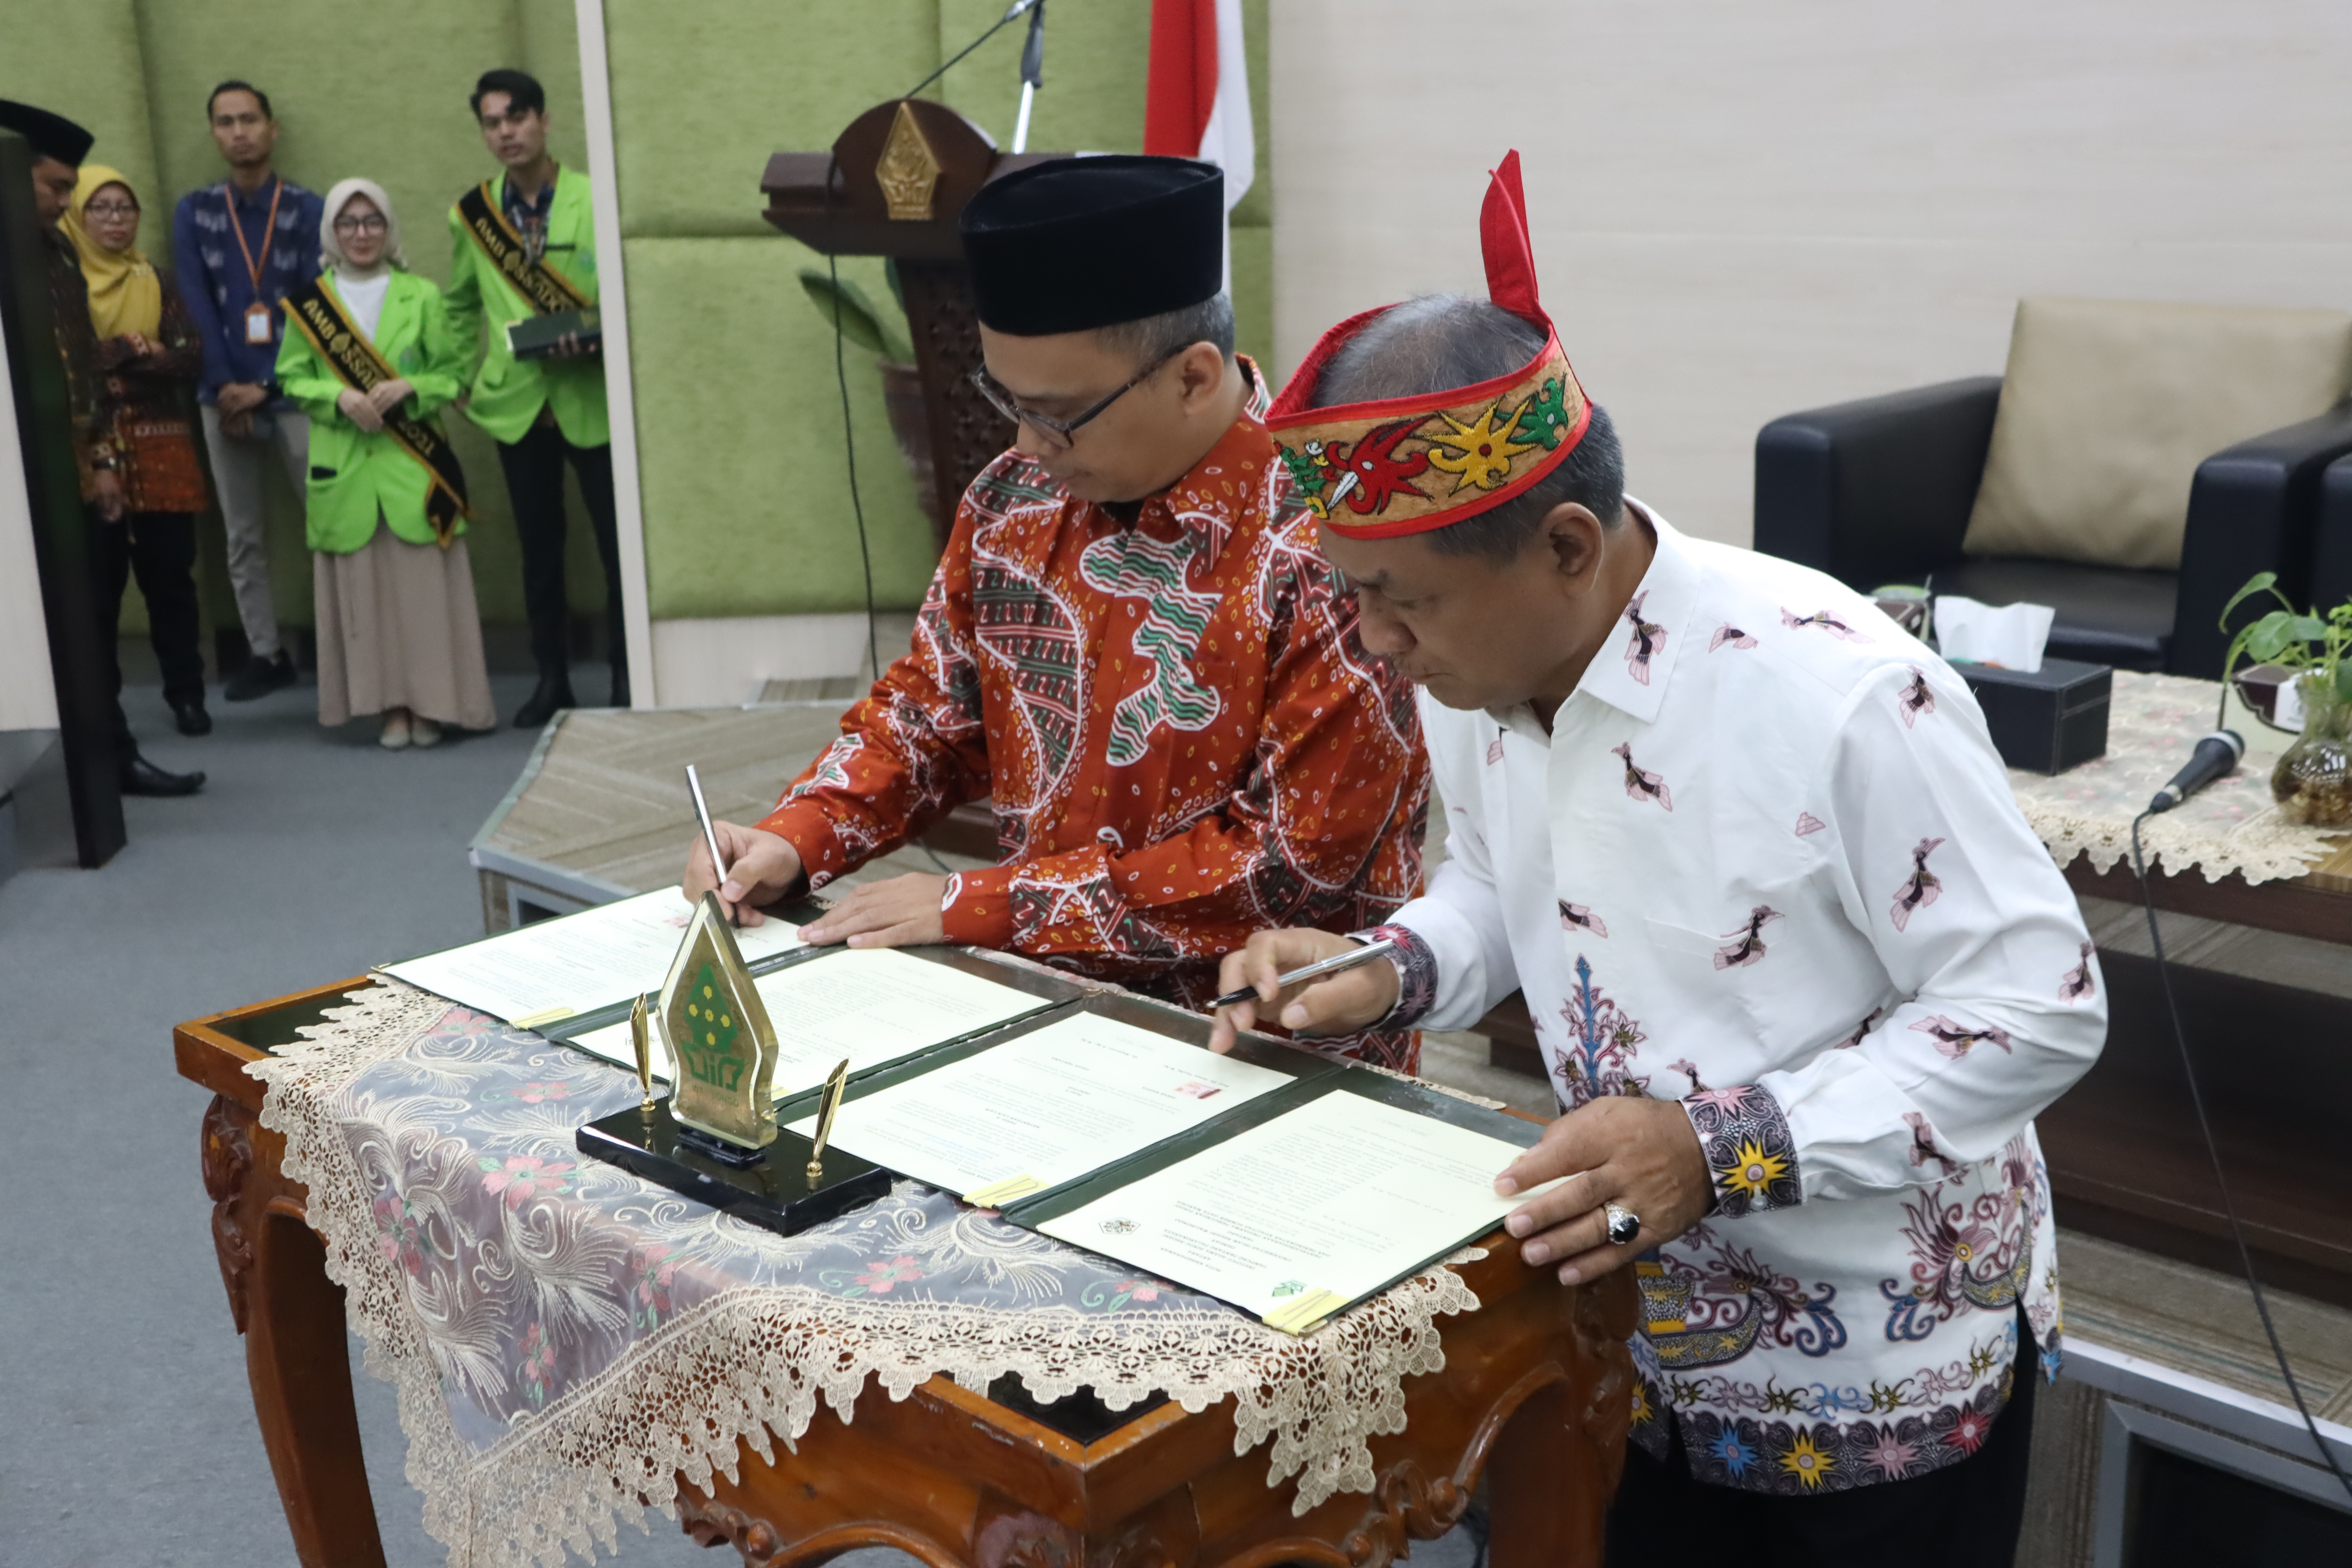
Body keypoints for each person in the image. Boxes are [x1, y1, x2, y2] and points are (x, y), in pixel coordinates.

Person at [1210, 154, 2106, 1563]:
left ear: (1566, 544)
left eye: (1401, 601)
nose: (1374, 644)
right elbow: (1506, 897)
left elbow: (2036, 1005)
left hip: (1869, 1364)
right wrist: (1381, 972)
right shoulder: (1483, 677)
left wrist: (1719, 1147)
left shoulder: (1840, 695)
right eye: (1354, 596)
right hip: (1625, 1324)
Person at [682, 155, 1429, 1066]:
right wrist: (797, 835)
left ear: (1194, 376)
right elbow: (930, 715)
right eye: (1006, 400)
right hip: (1039, 1015)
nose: (1026, 445)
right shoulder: (1014, 501)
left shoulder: (1327, 547)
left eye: (1059, 414)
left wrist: (987, 905)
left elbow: (1290, 868)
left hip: (1266, 1053)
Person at [0, 99, 204, 796]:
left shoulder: (53, 252)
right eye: (57, 187)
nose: (67, 204)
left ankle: (108, 758)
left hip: (68, 471)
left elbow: (82, 365)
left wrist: (104, 462)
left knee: (91, 615)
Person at [276, 179, 495, 747]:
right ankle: (388, 708)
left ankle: (433, 706)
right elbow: (291, 378)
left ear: (389, 227)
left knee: (423, 599)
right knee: (364, 602)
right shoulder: (309, 305)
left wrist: (409, 388)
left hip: (413, 469)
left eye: (372, 221)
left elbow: (452, 375)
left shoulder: (420, 295)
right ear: (331, 232)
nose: (361, 234)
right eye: (348, 223)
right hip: (345, 469)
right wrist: (338, 397)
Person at [445, 67, 624, 726]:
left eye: (516, 117)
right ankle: (552, 679)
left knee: (614, 546)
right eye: (492, 122)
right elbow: (460, 305)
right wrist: (463, 379)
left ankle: (626, 676)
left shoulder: (594, 195)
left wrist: (599, 337)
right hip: (515, 403)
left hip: (593, 398)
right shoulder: (471, 214)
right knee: (539, 550)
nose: (505, 131)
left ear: (543, 121)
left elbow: (623, 291)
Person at [172, 80, 324, 704]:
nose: (239, 132)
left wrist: (265, 384)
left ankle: (345, 647)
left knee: (328, 522)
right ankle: (266, 652)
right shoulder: (196, 211)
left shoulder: (309, 209)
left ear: (272, 128)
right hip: (222, 393)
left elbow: (319, 307)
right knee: (243, 534)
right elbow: (194, 302)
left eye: (249, 120)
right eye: (226, 122)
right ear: (214, 132)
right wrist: (225, 387)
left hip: (294, 391)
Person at [66, 165, 214, 744]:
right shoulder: (65, 279)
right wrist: (131, 345)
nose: (115, 219)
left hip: (163, 452)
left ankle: (188, 696)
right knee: (100, 588)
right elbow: (73, 358)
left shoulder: (155, 278)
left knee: (172, 580)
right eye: (100, 207)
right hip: (91, 452)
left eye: (125, 208)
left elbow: (189, 356)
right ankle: (106, 708)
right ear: (79, 216)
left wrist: (116, 365)